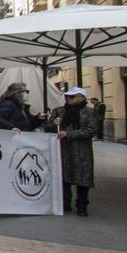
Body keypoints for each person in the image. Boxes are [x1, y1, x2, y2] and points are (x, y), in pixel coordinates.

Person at [44, 88, 100, 216]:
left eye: (72, 96)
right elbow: (47, 128)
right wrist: (53, 124)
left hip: (82, 151)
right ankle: (65, 204)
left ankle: (82, 205)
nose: (68, 98)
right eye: (67, 96)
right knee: (63, 178)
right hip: (63, 150)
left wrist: (68, 134)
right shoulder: (58, 111)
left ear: (81, 97)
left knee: (83, 179)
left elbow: (91, 130)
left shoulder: (90, 112)